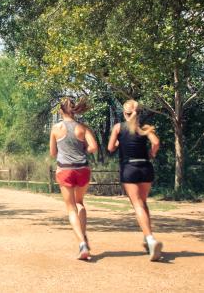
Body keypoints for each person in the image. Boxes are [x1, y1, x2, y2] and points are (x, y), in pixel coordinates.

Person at [108, 99, 162, 261]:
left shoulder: (118, 128)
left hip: (129, 169)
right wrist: (152, 154)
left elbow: (110, 148)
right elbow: (156, 142)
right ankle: (147, 238)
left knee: (137, 204)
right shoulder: (145, 128)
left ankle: (151, 239)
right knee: (143, 203)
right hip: (146, 168)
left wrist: (118, 142)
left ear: (125, 113)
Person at [49, 97, 98, 260]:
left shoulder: (56, 128)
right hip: (83, 169)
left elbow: (53, 153)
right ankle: (83, 239)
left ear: (61, 111)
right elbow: (93, 147)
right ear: (74, 109)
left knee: (71, 208)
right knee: (80, 203)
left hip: (65, 170)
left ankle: (82, 244)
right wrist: (83, 148)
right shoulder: (82, 128)